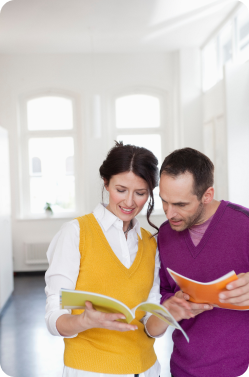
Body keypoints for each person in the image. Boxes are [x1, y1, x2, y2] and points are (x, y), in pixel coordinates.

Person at [45, 141, 178, 377]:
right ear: (106, 183)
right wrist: (84, 321)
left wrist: (169, 313)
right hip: (90, 370)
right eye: (121, 189)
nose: (129, 202)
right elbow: (53, 319)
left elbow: (150, 326)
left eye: (140, 193)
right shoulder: (76, 233)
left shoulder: (150, 243)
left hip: (147, 369)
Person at [154, 147, 249, 377]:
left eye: (180, 204)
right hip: (183, 369)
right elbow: (164, 291)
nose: (169, 213)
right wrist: (172, 303)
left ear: (207, 195)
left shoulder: (244, 224)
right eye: (164, 202)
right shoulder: (164, 235)